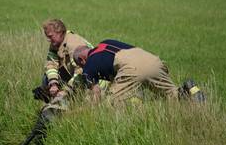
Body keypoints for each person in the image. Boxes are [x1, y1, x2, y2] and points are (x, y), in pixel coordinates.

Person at [73, 39, 205, 103]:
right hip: (153, 61)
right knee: (172, 96)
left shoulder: (88, 66)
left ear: (81, 59)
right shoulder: (105, 43)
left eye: (79, 64)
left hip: (132, 69)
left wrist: (90, 109)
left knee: (112, 103)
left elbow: (96, 94)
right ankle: (190, 90)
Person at [33, 19, 95, 103]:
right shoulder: (56, 43)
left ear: (60, 32)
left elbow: (80, 72)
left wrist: (66, 91)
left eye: (50, 36)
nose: (49, 40)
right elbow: (51, 64)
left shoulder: (74, 44)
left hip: (92, 81)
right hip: (74, 75)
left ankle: (63, 105)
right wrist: (53, 84)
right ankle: (53, 103)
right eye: (47, 37)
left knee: (79, 98)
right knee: (47, 78)